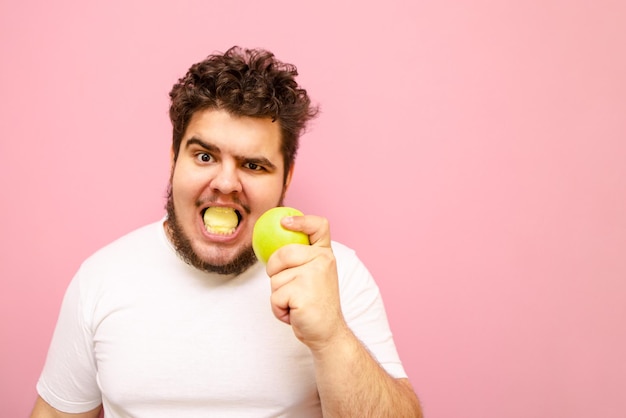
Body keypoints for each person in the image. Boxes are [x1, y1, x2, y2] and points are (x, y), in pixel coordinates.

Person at [30, 46, 423, 418]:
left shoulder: (337, 275)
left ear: (287, 178)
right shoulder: (101, 278)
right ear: (173, 159)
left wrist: (331, 336)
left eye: (253, 165)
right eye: (204, 156)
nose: (225, 183)